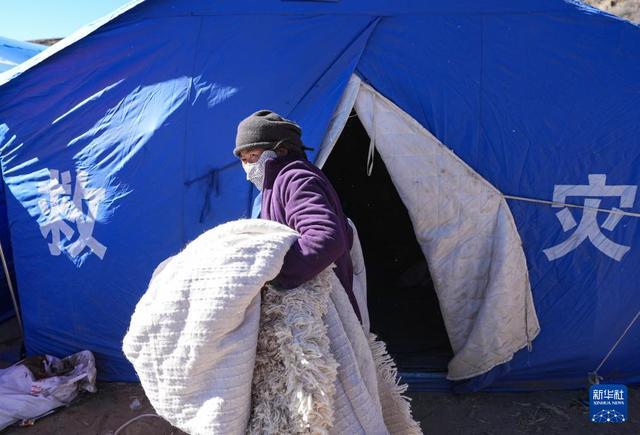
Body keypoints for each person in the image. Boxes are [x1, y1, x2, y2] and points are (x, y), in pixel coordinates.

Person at [234, 109, 361, 322]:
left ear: (280, 151)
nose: (249, 166)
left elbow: (326, 238)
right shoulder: (271, 186)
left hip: (320, 310)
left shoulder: (297, 179)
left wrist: (274, 277)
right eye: (245, 160)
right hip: (304, 309)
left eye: (254, 156)